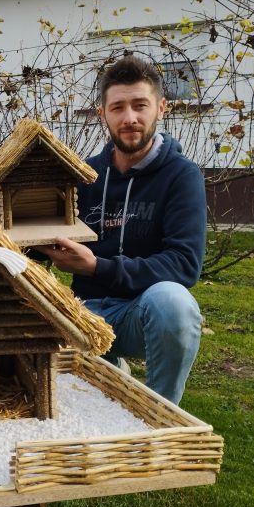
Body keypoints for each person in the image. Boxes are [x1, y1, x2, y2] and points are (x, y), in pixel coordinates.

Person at [35, 55, 206, 405]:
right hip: (86, 311)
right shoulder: (86, 175)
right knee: (88, 403)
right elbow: (44, 238)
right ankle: (110, 374)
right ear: (103, 114)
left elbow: (184, 263)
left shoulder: (181, 176)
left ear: (161, 108)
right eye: (118, 108)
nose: (129, 118)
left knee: (175, 303)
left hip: (141, 313)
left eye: (140, 105)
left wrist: (97, 266)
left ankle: (161, 416)